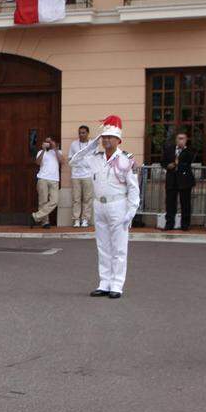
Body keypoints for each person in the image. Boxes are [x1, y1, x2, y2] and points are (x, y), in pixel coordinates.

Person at [69, 115, 140, 298]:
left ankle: (116, 285)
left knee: (119, 248)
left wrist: (130, 213)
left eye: (110, 137)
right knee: (103, 247)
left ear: (118, 139)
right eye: (104, 137)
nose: (106, 140)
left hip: (118, 205)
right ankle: (104, 282)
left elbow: (133, 189)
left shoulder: (126, 159)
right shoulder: (96, 158)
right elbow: (74, 161)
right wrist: (92, 144)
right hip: (99, 205)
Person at [161, 132, 196, 231]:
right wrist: (167, 166)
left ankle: (185, 225)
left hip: (184, 180)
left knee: (185, 203)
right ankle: (169, 224)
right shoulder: (169, 149)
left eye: (183, 138)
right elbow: (163, 161)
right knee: (170, 203)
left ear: (186, 140)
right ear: (176, 140)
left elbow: (189, 159)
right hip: (171, 179)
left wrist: (182, 150)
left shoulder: (189, 150)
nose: (181, 140)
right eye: (179, 138)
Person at [32, 137, 65, 228]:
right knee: (43, 201)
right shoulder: (40, 152)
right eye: (47, 142)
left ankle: (36, 216)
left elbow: (62, 161)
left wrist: (55, 149)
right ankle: (45, 222)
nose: (49, 143)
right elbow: (38, 163)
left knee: (54, 200)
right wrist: (43, 150)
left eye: (50, 141)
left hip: (54, 179)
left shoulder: (58, 152)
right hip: (42, 178)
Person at [67, 125, 95, 228]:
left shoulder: (93, 144)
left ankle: (85, 219)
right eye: (80, 133)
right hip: (76, 175)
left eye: (83, 133)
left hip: (88, 175)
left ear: (88, 133)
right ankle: (76, 220)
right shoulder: (74, 144)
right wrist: (76, 162)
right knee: (76, 199)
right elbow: (70, 159)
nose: (81, 135)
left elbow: (97, 159)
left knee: (87, 198)